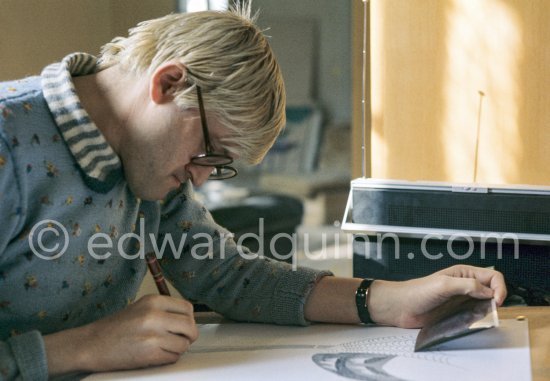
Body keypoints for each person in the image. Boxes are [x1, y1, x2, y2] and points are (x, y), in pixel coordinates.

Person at [0, 3, 506, 380]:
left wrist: (392, 300)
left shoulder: (145, 163)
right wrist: (84, 348)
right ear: (169, 83)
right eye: (207, 152)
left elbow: (230, 278)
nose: (198, 178)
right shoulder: (8, 141)